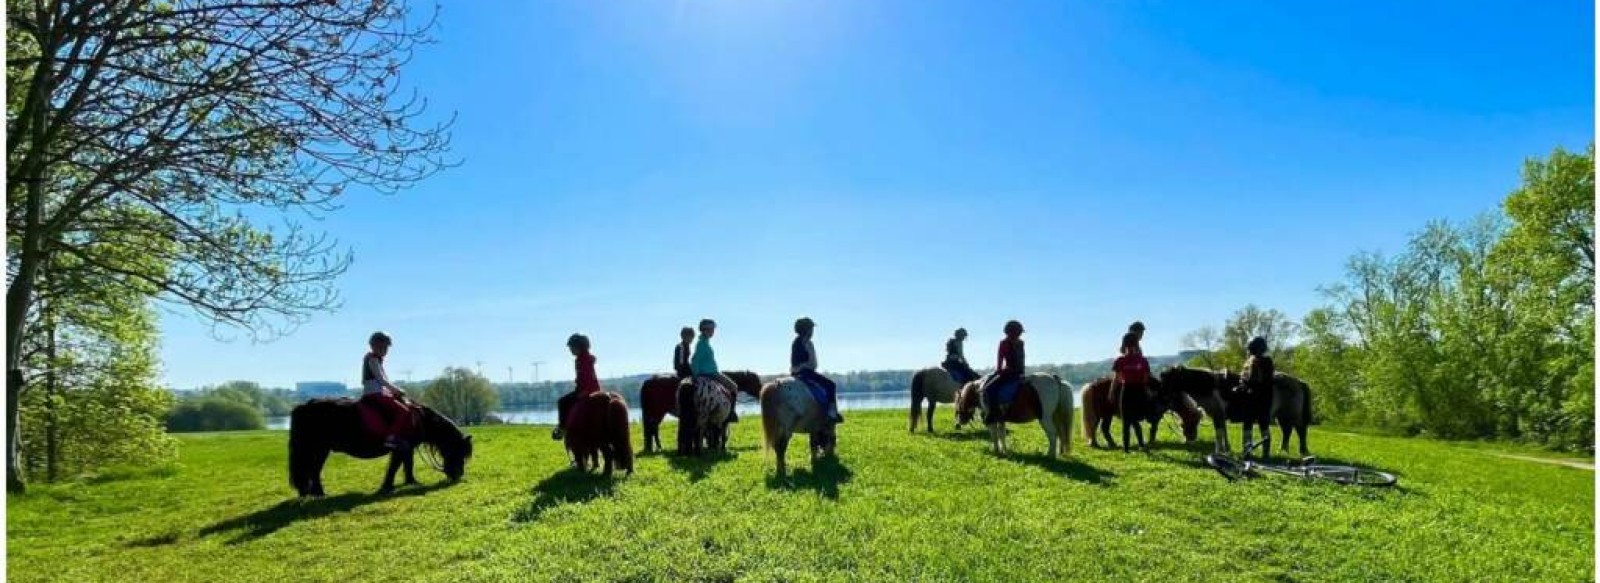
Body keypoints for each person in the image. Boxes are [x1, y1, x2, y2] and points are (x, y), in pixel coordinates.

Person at [360, 332, 413, 450]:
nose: (386, 350)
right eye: (384, 347)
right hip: (375, 394)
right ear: (376, 346)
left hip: (376, 392)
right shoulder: (373, 359)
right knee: (404, 411)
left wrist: (392, 392)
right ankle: (391, 438)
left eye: (386, 348)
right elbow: (382, 380)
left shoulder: (375, 359)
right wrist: (397, 390)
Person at [791, 317, 844, 424]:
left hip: (794, 373)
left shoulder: (795, 342)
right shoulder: (809, 343)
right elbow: (813, 364)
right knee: (831, 385)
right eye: (811, 329)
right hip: (806, 372)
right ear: (807, 330)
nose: (812, 331)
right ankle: (832, 413)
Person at [553, 333, 601, 441]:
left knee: (562, 402)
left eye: (571, 347)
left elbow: (585, 377)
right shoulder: (587, 358)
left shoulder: (581, 360)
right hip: (594, 389)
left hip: (585, 390)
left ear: (578, 347)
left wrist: (584, 391)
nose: (570, 350)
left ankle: (562, 428)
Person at [691, 318, 740, 422]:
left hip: (711, 372)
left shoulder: (704, 342)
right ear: (704, 330)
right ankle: (731, 413)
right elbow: (695, 360)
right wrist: (695, 376)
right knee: (734, 387)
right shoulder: (702, 344)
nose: (712, 332)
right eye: (710, 329)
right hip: (711, 373)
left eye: (712, 329)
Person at [978, 320, 1026, 424]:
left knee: (989, 388)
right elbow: (1022, 359)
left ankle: (993, 413)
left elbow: (1000, 359)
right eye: (1019, 332)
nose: (1019, 334)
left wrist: (999, 371)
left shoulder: (1004, 343)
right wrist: (1022, 373)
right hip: (1019, 372)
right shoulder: (1021, 343)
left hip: (1008, 372)